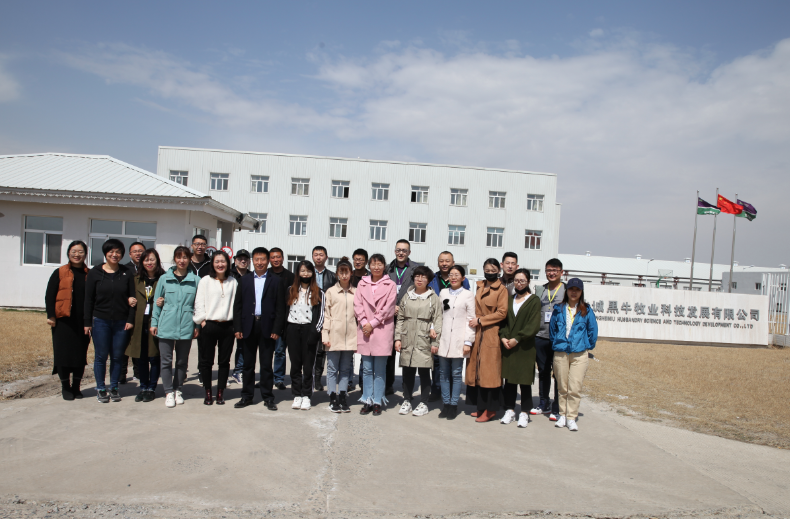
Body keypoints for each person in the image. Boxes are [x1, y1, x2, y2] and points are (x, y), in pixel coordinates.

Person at [233, 247, 286, 411]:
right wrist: (238, 327)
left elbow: (280, 308)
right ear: (252, 261)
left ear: (268, 261)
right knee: (248, 364)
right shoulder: (244, 280)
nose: (260, 262)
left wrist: (277, 329)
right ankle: (246, 396)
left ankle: (268, 397)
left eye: (263, 259)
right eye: (256, 259)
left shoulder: (275, 281)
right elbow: (238, 306)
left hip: (267, 327)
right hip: (248, 326)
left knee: (266, 365)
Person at [84, 238, 135, 404]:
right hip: (100, 321)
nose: (115, 255)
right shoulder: (95, 272)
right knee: (101, 356)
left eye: (118, 252)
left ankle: (114, 387)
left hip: (121, 322)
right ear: (105, 253)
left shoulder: (127, 273)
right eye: (111, 251)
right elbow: (88, 299)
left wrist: (130, 319)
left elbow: (132, 298)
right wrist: (87, 322)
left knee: (117, 356)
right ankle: (100, 388)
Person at [151, 246, 200, 408]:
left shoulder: (196, 280)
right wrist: (154, 322)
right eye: (179, 257)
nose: (182, 260)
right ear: (174, 259)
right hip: (166, 324)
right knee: (166, 361)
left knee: (181, 361)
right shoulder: (164, 279)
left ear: (190, 259)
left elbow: (198, 305)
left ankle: (178, 389)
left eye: (185, 257)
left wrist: (197, 325)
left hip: (186, 325)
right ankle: (168, 392)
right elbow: (156, 302)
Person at [549, 278, 598, 432]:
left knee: (575, 387)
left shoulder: (586, 310)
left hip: (579, 354)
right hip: (561, 352)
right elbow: (552, 329)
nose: (574, 292)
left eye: (577, 290)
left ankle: (571, 417)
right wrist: (557, 343)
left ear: (581, 292)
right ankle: (562, 415)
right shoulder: (559, 309)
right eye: (571, 289)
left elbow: (592, 330)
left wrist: (587, 345)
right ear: (567, 291)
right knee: (562, 387)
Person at [45, 240, 91, 401]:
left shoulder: (90, 274)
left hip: (82, 321)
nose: (77, 254)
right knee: (63, 355)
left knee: (80, 355)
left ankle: (76, 387)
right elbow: (50, 295)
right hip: (63, 321)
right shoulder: (59, 272)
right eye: (74, 251)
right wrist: (51, 315)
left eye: (80, 252)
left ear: (85, 254)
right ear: (68, 253)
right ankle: (65, 387)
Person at [395, 266, 442, 417]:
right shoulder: (407, 296)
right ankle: (407, 400)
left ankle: (424, 403)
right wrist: (397, 338)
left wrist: (435, 342)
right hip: (407, 336)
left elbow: (438, 320)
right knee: (408, 371)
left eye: (423, 277)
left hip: (424, 338)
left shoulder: (433, 298)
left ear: (429, 280)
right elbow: (400, 319)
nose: (419, 279)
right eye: (417, 276)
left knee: (424, 371)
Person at [465, 258, 508, 422]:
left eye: (493, 270)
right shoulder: (479, 286)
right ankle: (481, 407)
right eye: (487, 270)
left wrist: (481, 320)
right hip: (477, 332)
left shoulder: (502, 290)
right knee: (477, 371)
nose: (490, 273)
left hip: (491, 333)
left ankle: (491, 410)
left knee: (490, 373)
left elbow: (502, 312)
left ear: (499, 271)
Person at [354, 254, 397, 416]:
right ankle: (367, 399)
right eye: (373, 264)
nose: (376, 267)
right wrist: (364, 321)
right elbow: (357, 304)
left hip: (381, 329)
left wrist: (372, 323)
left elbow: (389, 308)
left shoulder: (390, 284)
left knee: (379, 370)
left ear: (384, 266)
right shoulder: (362, 283)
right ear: (369, 266)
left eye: (379, 264)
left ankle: (377, 400)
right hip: (365, 329)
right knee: (366, 369)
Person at [194, 250, 238, 405]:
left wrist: (235, 325)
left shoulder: (233, 282)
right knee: (206, 361)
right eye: (217, 261)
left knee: (224, 362)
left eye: (223, 261)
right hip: (209, 325)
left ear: (228, 263)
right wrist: (202, 321)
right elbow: (199, 302)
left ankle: (220, 392)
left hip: (228, 326)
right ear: (212, 264)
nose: (220, 264)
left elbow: (237, 305)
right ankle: (208, 392)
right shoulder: (205, 281)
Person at [499, 269, 541, 428]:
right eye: (516, 280)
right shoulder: (510, 299)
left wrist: (518, 338)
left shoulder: (534, 300)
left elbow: (533, 324)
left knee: (524, 381)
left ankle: (524, 412)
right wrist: (503, 337)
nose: (519, 283)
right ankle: (510, 410)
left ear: (528, 282)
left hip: (525, 346)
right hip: (508, 345)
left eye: (522, 280)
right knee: (509, 380)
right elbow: (504, 322)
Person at [427, 251, 470, 401]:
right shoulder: (432, 279)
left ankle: (451, 393)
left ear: (453, 262)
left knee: (453, 364)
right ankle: (436, 389)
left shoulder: (463, 281)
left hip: (456, 326)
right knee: (437, 361)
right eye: (441, 261)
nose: (444, 263)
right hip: (439, 324)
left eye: (447, 261)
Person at [284, 260, 325, 411]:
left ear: (312, 273)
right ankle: (297, 394)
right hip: (293, 329)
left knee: (308, 365)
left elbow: (321, 314)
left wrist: (315, 331)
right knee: (295, 365)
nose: (305, 274)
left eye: (308, 271)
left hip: (309, 330)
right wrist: (285, 331)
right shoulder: (290, 290)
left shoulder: (319, 292)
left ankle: (307, 395)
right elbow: (285, 310)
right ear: (298, 273)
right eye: (302, 271)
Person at [126, 248, 165, 403]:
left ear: (157, 261)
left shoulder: (163, 279)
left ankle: (151, 388)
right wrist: (128, 299)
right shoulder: (135, 279)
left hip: (156, 323)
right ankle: (143, 387)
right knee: (141, 358)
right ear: (142, 262)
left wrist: (164, 301)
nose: (149, 263)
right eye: (146, 260)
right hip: (139, 323)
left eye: (152, 259)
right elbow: (125, 294)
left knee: (154, 357)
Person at [436, 265, 475, 420]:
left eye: (457, 275)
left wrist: (468, 341)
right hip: (444, 338)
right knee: (443, 373)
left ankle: (453, 405)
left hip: (460, 339)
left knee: (456, 374)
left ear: (463, 278)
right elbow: (438, 315)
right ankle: (445, 404)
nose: (453, 277)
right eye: (451, 275)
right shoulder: (443, 293)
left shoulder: (468, 295)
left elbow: (470, 320)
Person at [385, 239, 421, 395]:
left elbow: (420, 291)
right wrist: (391, 306)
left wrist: (404, 307)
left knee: (407, 351)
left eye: (404, 250)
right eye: (398, 250)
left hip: (408, 316)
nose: (401, 253)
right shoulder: (387, 269)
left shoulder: (416, 269)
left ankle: (408, 387)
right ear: (395, 251)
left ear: (409, 252)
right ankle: (388, 384)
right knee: (389, 352)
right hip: (389, 315)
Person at [322, 258, 356, 413]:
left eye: (346, 272)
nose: (344, 275)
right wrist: (325, 335)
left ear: (351, 273)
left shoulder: (356, 292)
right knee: (332, 369)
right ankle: (332, 397)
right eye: (341, 272)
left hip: (350, 336)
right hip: (334, 336)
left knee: (345, 369)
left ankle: (342, 396)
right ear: (337, 274)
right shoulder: (331, 292)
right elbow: (326, 315)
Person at [532, 258, 565, 420]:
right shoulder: (541, 290)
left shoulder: (566, 290)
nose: (551, 273)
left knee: (558, 373)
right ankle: (543, 402)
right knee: (543, 371)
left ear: (561, 272)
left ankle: (557, 406)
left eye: (555, 270)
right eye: (549, 270)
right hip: (541, 336)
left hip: (559, 339)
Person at [267, 247, 294, 391]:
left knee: (280, 351)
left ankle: (278, 378)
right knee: (266, 351)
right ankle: (266, 378)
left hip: (283, 319)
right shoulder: (265, 274)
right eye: (273, 257)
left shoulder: (290, 276)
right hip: (266, 319)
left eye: (278, 257)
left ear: (283, 258)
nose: (276, 260)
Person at [312, 246, 337, 392]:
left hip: (327, 314)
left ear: (326, 257)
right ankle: (310, 378)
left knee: (322, 350)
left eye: (321, 255)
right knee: (311, 349)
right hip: (311, 314)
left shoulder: (332, 276)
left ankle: (318, 379)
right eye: (316, 254)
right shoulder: (308, 273)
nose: (318, 257)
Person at [120, 241, 146, 384]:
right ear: (130, 254)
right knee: (124, 344)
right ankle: (121, 374)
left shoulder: (148, 268)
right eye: (135, 251)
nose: (138, 254)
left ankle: (138, 372)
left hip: (142, 312)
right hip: (126, 312)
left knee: (138, 343)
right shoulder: (124, 269)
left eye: (140, 251)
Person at [188, 234, 212, 386]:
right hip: (186, 306)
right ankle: (182, 369)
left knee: (203, 343)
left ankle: (202, 370)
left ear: (206, 246)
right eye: (197, 244)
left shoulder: (210, 264)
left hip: (204, 307)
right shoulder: (186, 263)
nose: (200, 247)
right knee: (183, 341)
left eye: (203, 244)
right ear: (192, 246)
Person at [349, 249, 370, 391]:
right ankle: (349, 381)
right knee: (348, 352)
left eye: (361, 259)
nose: (358, 262)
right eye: (356, 259)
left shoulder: (370, 277)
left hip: (365, 319)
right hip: (350, 318)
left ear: (366, 261)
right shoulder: (349, 275)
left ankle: (363, 382)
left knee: (365, 352)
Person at [229, 249, 251, 385]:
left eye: (245, 259)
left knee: (242, 346)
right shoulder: (229, 274)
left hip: (243, 316)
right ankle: (224, 373)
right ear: (235, 260)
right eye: (240, 259)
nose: (243, 261)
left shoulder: (251, 276)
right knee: (226, 347)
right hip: (228, 315)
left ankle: (238, 371)